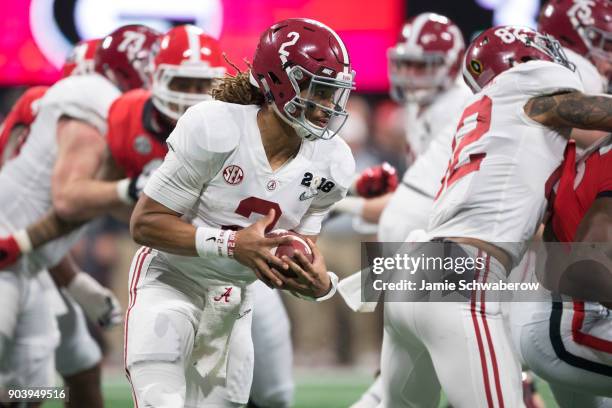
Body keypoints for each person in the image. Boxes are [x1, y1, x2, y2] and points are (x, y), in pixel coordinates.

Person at [125, 18, 356, 407]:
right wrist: (231, 244)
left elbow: (290, 255)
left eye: (335, 93)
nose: (328, 107)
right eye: (319, 90)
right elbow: (145, 224)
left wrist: (318, 284)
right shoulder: (215, 127)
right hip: (171, 280)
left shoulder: (333, 163)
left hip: (234, 301)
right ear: (281, 82)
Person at [377, 25, 612, 407]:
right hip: (461, 276)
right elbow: (589, 112)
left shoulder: (481, 114)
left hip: (411, 269)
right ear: (523, 61)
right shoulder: (528, 86)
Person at [0, 23, 158, 405]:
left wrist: (72, 281)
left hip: (26, 265)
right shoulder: (91, 100)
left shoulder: (88, 113)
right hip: (11, 264)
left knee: (26, 392)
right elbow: (68, 200)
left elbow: (50, 214)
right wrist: (130, 190)